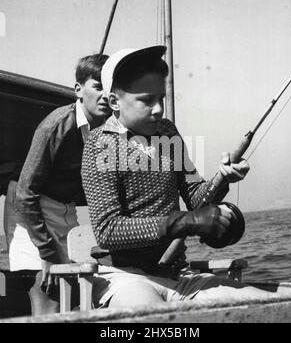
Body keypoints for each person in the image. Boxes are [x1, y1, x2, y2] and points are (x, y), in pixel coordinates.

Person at [81, 46, 270, 309]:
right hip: (124, 278)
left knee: (269, 305)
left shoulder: (167, 132)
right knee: (158, 320)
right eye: (147, 100)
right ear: (114, 102)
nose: (158, 109)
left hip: (179, 276)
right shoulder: (98, 145)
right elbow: (108, 231)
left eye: (162, 98)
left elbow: (196, 199)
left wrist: (223, 178)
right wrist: (188, 222)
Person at [4, 53, 110, 315]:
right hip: (29, 210)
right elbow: (25, 192)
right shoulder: (57, 125)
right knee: (48, 302)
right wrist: (47, 252)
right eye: (98, 87)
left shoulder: (110, 131)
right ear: (78, 90)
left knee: (74, 296)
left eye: (111, 88)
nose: (106, 95)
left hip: (66, 209)